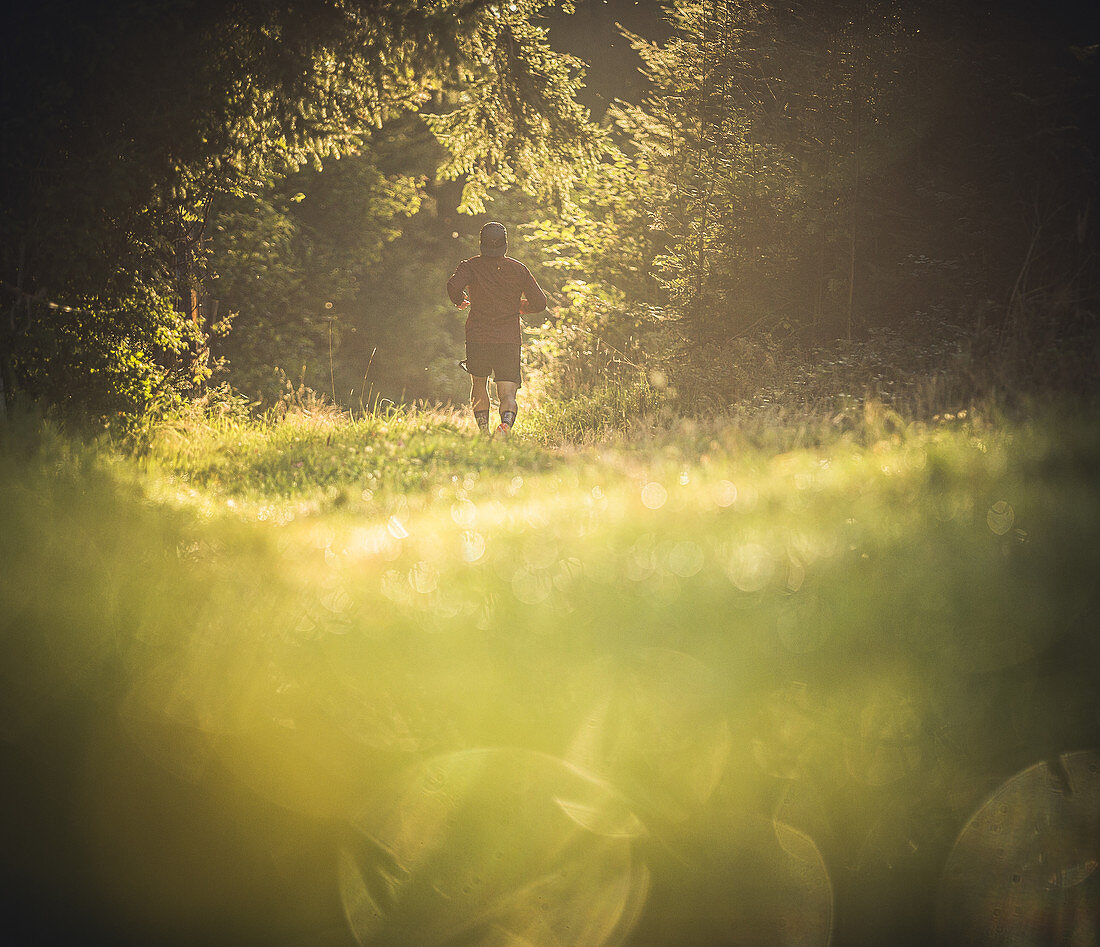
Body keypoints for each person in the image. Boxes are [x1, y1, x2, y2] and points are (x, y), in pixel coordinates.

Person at [446, 221, 549, 436]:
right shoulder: (519, 269)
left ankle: (484, 432)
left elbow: (453, 286)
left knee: (479, 383)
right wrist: (519, 306)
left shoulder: (470, 266)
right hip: (508, 339)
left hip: (478, 337)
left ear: (481, 243)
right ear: (505, 244)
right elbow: (540, 303)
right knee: (508, 392)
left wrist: (459, 300)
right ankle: (504, 427)